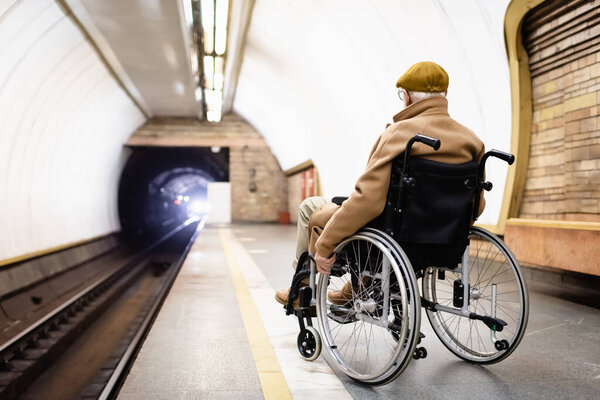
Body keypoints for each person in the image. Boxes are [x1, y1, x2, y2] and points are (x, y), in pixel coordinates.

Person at [275, 61, 485, 306]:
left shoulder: (400, 134)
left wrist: (324, 245)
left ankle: (302, 288)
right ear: (445, 95)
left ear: (406, 97)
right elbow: (476, 206)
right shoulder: (472, 141)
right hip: (446, 239)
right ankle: (356, 286)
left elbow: (368, 200)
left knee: (311, 207)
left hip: (393, 234)